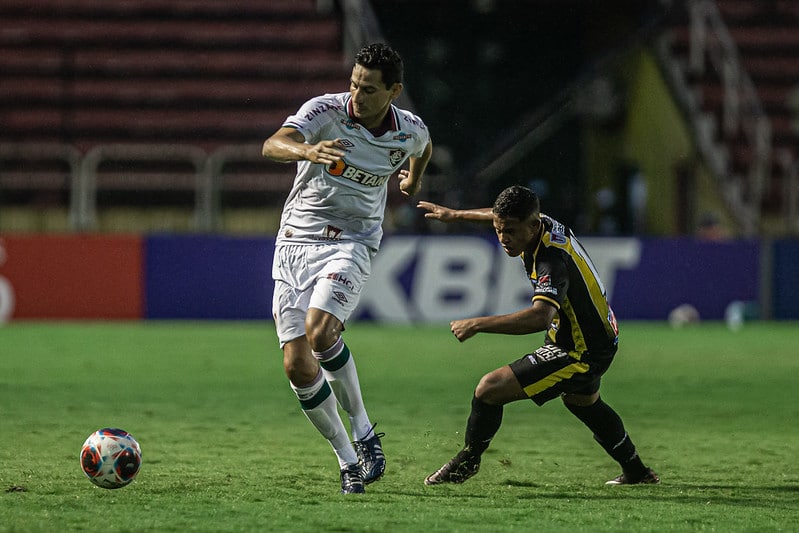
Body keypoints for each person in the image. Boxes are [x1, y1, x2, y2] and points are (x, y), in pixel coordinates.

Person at [262, 43, 433, 494]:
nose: (357, 95)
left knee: (321, 332)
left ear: (394, 91)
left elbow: (424, 147)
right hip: (296, 240)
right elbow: (272, 145)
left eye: (369, 89)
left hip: (353, 240)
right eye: (354, 84)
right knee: (297, 366)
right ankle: (348, 459)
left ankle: (363, 431)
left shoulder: (409, 129)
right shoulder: (325, 111)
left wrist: (413, 179)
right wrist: (305, 150)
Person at [417, 185, 659, 486]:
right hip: (593, 335)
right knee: (582, 402)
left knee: (489, 389)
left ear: (532, 226)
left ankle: (467, 462)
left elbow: (539, 316)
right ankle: (637, 471)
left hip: (580, 350)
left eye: (510, 231)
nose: (503, 238)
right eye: (498, 230)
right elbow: (498, 216)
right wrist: (455, 215)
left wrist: (478, 324)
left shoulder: (551, 260)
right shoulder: (539, 223)